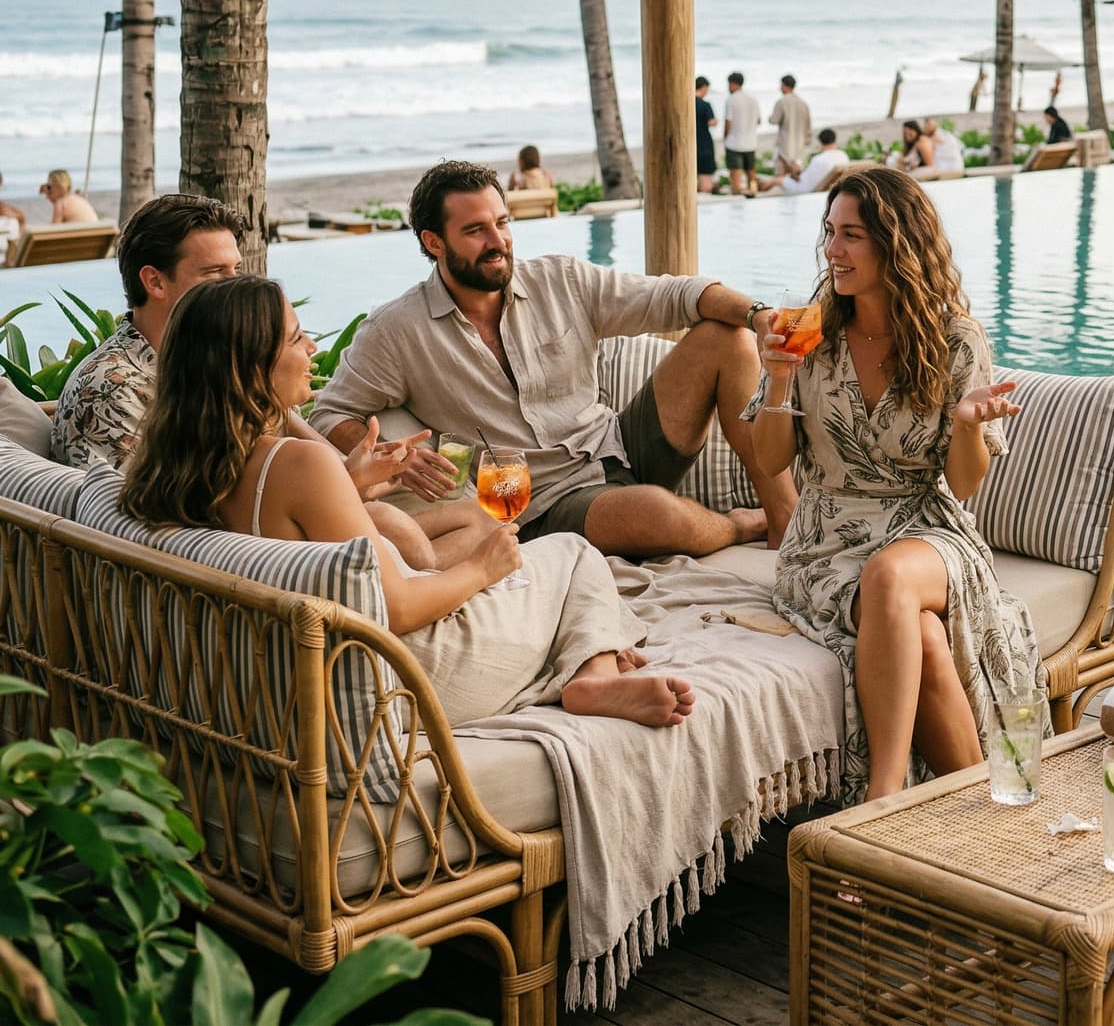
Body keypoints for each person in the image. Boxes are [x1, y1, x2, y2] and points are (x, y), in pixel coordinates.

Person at [125, 276, 694, 731]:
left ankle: (592, 658)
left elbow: (296, 528)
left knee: (511, 557)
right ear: (249, 366)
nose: (312, 348)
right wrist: (483, 567)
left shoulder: (165, 468)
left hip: (288, 675)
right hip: (410, 675)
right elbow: (396, 609)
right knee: (568, 552)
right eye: (296, 338)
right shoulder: (296, 463)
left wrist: (353, 484)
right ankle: (592, 672)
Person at [312, 161, 794, 561]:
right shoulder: (397, 330)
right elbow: (330, 411)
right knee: (657, 514)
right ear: (434, 242)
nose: (497, 241)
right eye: (475, 230)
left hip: (620, 446)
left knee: (726, 337)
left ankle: (785, 521)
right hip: (543, 502)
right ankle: (737, 526)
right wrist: (399, 456)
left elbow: (678, 294)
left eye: (502, 223)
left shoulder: (560, 279)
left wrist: (758, 315)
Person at [748, 168, 1040, 801]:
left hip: (924, 531)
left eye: (851, 235)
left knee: (889, 575)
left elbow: (962, 485)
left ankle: (878, 803)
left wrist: (965, 424)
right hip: (823, 548)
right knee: (926, 638)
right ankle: (979, 821)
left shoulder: (954, 341)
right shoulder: (810, 334)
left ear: (896, 243)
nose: (832, 250)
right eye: (830, 233)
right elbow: (769, 460)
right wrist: (775, 377)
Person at [51, 194, 475, 570]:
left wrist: (369, 468)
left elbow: (320, 457)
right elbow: (155, 534)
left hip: (287, 537)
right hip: (241, 583)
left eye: (237, 269)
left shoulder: (232, 362)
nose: (235, 287)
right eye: (215, 274)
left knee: (465, 518)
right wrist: (346, 486)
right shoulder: (113, 388)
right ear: (154, 281)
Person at [761, 128, 850, 196]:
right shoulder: (843, 155)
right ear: (834, 140)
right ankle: (760, 186)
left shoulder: (819, 159)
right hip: (828, 188)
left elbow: (805, 182)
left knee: (777, 180)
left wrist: (796, 172)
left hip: (806, 190)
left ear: (821, 142)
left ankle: (759, 190)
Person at [723, 72, 762, 197]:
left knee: (736, 176)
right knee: (751, 173)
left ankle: (736, 197)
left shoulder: (731, 100)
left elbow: (728, 122)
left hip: (734, 143)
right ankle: (753, 194)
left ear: (733, 84)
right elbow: (759, 120)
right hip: (750, 142)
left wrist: (725, 137)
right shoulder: (753, 99)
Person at [769, 75, 813, 179]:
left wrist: (769, 118)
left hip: (785, 143)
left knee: (781, 175)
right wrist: (808, 140)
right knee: (796, 175)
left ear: (784, 86)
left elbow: (774, 120)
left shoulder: (782, 102)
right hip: (799, 143)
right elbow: (808, 125)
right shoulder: (803, 103)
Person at [693, 76, 718, 195]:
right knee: (706, 177)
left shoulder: (686, 104)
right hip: (704, 144)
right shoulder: (705, 105)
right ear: (703, 87)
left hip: (689, 143)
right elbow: (711, 122)